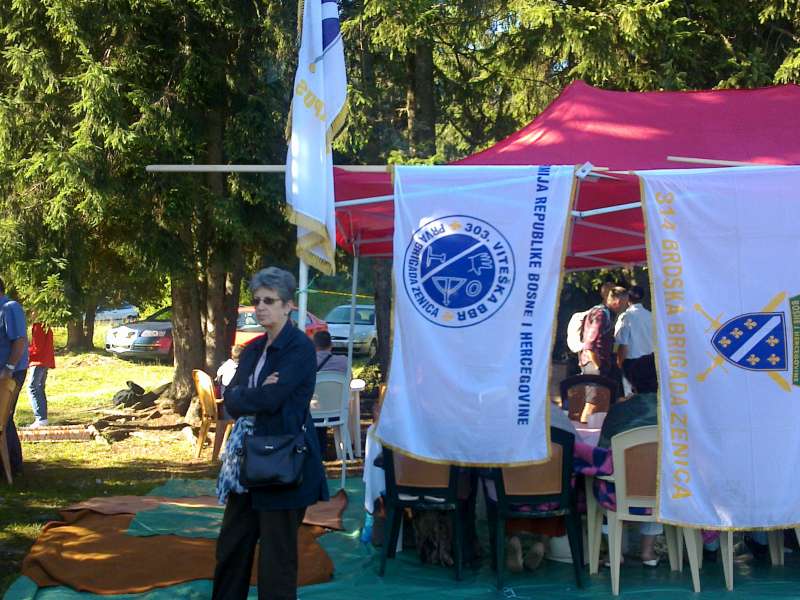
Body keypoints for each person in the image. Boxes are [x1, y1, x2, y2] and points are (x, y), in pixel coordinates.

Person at [213, 267, 328, 600]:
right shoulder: (252, 349)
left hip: (282, 462)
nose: (260, 307)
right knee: (231, 549)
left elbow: (271, 399)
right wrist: (256, 393)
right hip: (245, 463)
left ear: (288, 306)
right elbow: (231, 400)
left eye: (269, 301)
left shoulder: (300, 348)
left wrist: (253, 394)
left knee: (276, 562)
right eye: (257, 300)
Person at [597, 354, 660, 566]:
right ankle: (648, 552)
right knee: (657, 483)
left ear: (633, 381)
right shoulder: (675, 413)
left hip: (618, 493)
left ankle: (614, 553)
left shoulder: (618, 411)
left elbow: (602, 450)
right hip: (663, 493)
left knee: (602, 482)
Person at [0, 276, 29, 474]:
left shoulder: (10, 307)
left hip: (10, 373)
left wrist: (8, 369)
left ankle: (12, 465)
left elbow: (19, 341)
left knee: (4, 417)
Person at [312, 330, 348, 460]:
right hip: (338, 411)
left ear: (314, 345)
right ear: (331, 345)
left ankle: (317, 450)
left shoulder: (307, 362)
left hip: (313, 412)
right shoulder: (344, 362)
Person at [614, 285, 653, 396]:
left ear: (628, 298)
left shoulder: (626, 317)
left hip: (632, 364)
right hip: (650, 361)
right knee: (649, 394)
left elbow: (622, 344)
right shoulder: (651, 316)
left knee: (632, 396)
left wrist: (618, 364)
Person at [27, 321, 55, 427]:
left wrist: (25, 351)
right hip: (45, 361)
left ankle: (40, 418)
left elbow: (37, 347)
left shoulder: (38, 326)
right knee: (39, 388)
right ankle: (43, 418)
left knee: (33, 388)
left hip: (38, 361)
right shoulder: (46, 325)